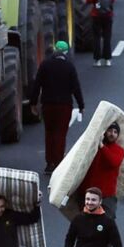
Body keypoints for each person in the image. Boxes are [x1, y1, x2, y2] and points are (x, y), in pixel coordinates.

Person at [29, 40, 85, 174]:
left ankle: (49, 163)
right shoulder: (69, 66)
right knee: (61, 133)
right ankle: (58, 162)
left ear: (55, 50)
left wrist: (33, 103)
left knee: (49, 133)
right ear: (66, 52)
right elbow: (76, 87)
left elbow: (37, 85)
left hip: (48, 105)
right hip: (64, 105)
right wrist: (81, 105)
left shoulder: (45, 64)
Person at [75, 122, 124, 220]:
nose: (112, 134)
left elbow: (113, 162)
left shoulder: (119, 150)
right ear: (105, 132)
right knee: (87, 223)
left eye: (115, 132)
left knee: (106, 222)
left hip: (106, 195)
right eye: (110, 130)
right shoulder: (93, 147)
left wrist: (102, 147)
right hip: (87, 193)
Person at [85, 0, 117, 67]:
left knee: (96, 38)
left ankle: (97, 60)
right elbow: (112, 0)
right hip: (108, 15)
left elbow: (88, 0)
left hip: (96, 15)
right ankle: (108, 59)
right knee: (107, 37)